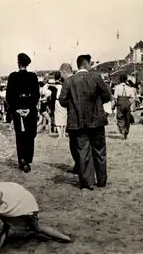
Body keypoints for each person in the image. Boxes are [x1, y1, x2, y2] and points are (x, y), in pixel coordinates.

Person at [0, 176, 72, 251]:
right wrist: (1, 243)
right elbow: (6, 222)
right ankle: (66, 238)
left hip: (20, 203)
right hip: (25, 201)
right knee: (37, 227)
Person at [59, 54, 112, 190]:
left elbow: (63, 101)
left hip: (78, 121)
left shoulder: (69, 81)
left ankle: (87, 182)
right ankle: (101, 181)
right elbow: (107, 96)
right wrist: (97, 103)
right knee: (99, 150)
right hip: (97, 120)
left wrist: (74, 104)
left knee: (83, 151)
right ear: (86, 64)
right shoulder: (96, 78)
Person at [5, 53, 40, 173]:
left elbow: (9, 96)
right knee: (30, 135)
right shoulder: (33, 76)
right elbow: (36, 95)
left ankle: (23, 160)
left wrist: (17, 109)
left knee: (20, 135)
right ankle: (27, 159)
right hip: (30, 110)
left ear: (18, 63)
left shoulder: (13, 76)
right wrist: (29, 108)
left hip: (18, 110)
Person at [113, 75, 137, 139]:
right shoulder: (129, 88)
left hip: (120, 101)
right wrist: (129, 103)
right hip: (127, 102)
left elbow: (115, 97)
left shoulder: (117, 87)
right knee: (127, 118)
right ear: (126, 80)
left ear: (120, 80)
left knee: (120, 117)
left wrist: (117, 103)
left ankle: (123, 129)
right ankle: (126, 131)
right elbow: (133, 98)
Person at [53, 72, 67, 138]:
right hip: (63, 101)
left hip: (57, 101)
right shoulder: (63, 86)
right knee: (64, 116)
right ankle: (63, 134)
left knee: (58, 117)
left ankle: (60, 134)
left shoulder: (55, 86)